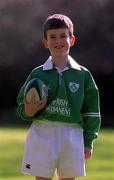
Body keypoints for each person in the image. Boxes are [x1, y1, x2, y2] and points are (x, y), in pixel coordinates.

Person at [17, 14, 101, 180]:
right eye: (53, 37)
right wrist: (29, 110)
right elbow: (22, 107)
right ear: (45, 42)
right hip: (42, 132)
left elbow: (91, 111)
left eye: (63, 36)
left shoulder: (83, 75)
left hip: (72, 134)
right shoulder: (38, 74)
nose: (58, 41)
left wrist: (88, 140)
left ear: (72, 39)